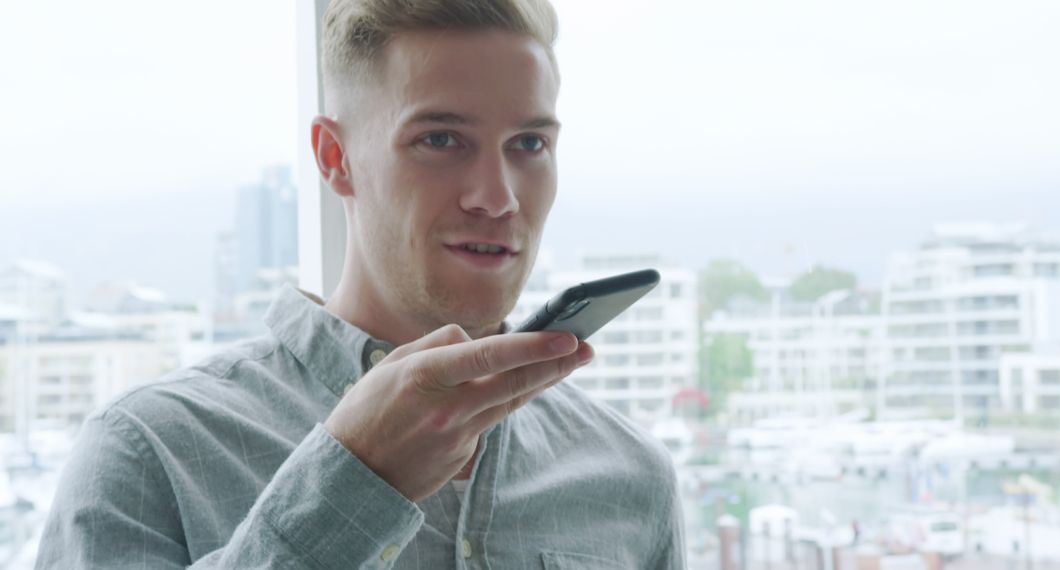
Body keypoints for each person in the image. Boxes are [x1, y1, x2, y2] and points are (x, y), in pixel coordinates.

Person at [36, 0, 685, 568]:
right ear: (334, 158)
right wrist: (354, 480)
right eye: (440, 138)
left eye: (529, 145)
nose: (497, 196)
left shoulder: (630, 475)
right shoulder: (150, 449)